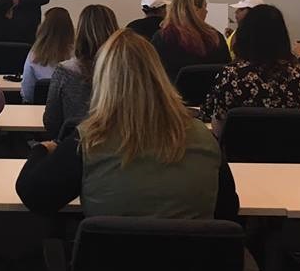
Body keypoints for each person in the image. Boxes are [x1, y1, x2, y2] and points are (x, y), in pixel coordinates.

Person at [16, 29, 238, 220]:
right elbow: (227, 211)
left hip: (108, 269)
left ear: (103, 81)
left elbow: (34, 196)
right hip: (192, 268)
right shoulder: (204, 139)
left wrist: (41, 149)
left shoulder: (88, 141)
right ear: (159, 75)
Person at [200, 4, 300, 133]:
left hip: (240, 151)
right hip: (292, 151)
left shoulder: (231, 75)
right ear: (282, 36)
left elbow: (213, 118)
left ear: (244, 35)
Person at [43, 5, 118, 136]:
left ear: (80, 32)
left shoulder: (65, 72)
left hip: (73, 148)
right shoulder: (126, 72)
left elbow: (51, 123)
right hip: (120, 150)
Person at [151, 0, 229, 83]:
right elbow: (226, 70)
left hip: (172, 95)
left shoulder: (162, 38)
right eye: (205, 7)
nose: (206, 11)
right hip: (211, 95)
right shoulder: (216, 38)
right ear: (196, 10)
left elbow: (153, 74)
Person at [22, 7, 74, 104]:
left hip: (36, 113)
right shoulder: (78, 55)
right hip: (69, 113)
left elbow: (27, 94)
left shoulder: (34, 55)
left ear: (44, 28)